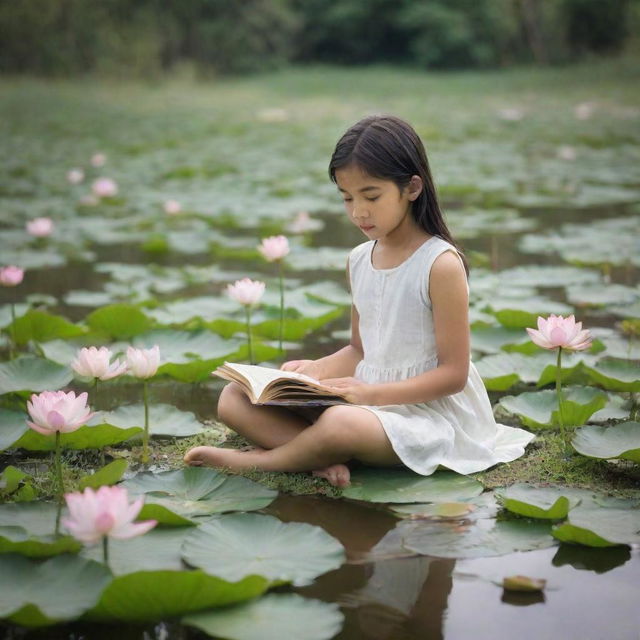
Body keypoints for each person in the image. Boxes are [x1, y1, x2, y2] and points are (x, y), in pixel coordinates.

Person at [184, 114, 534, 486]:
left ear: (412, 187)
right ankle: (318, 458)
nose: (358, 212)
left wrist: (371, 394)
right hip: (365, 405)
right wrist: (314, 372)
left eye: (371, 196)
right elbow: (359, 350)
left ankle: (266, 462)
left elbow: (453, 375)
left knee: (340, 422)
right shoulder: (358, 260)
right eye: (347, 198)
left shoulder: (439, 263)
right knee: (233, 397)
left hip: (427, 417)